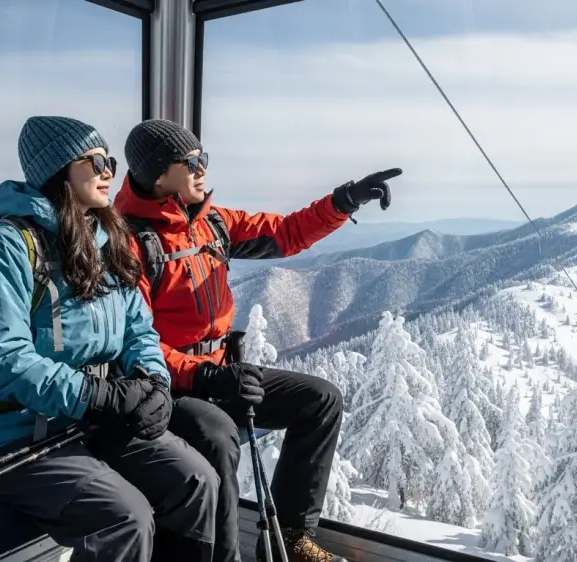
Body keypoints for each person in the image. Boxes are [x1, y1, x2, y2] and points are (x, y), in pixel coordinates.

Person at [114, 118, 401, 562]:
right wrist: (205, 377)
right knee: (218, 435)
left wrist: (343, 201)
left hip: (220, 373)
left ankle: (291, 540)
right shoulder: (129, 243)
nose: (203, 169)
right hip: (168, 386)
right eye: (191, 162)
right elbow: (133, 345)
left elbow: (285, 233)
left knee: (320, 401)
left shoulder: (211, 223)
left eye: (204, 158)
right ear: (157, 175)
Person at [0, 116, 222, 562]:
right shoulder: (7, 248)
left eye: (110, 162)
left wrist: (154, 382)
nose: (108, 172)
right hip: (19, 436)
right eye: (95, 162)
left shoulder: (105, 240)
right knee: (124, 518)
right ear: (57, 170)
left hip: (92, 422)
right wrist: (95, 396)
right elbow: (3, 361)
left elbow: (139, 328)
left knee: (196, 482)